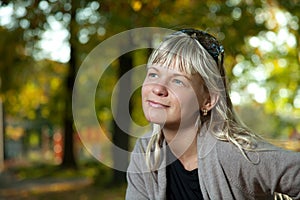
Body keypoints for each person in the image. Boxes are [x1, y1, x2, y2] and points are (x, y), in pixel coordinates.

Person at [125, 28, 300, 200]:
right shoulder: (146, 153)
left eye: (177, 81)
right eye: (154, 74)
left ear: (208, 100)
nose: (158, 88)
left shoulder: (234, 156)